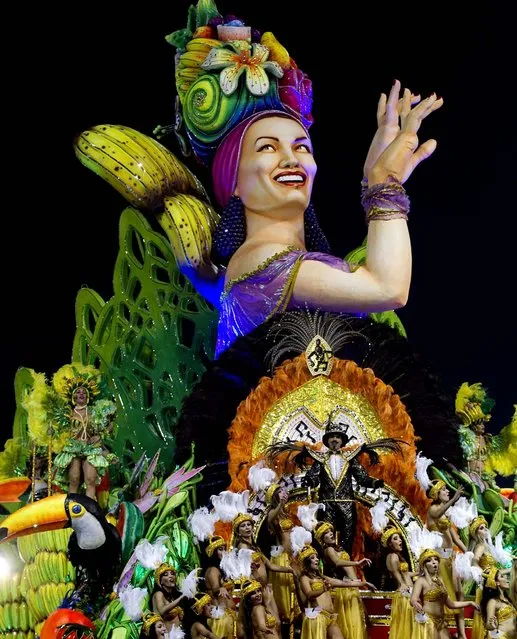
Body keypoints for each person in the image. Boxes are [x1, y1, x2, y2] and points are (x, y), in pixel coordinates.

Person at [278, 416, 403, 552]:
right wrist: (310, 480)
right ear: (327, 441)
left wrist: (374, 483)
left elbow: (362, 478)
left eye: (338, 437)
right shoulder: (320, 459)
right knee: (325, 537)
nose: (335, 439)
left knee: (347, 537)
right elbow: (314, 478)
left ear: (342, 441)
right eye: (332, 437)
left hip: (346, 504)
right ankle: (328, 568)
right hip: (326, 504)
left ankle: (345, 566)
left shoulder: (350, 459)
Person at [51, 363, 117, 499]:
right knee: (74, 478)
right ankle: (72, 508)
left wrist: (100, 436)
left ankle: (90, 510)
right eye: (78, 392)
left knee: (90, 479)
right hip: (73, 448)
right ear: (73, 396)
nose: (81, 394)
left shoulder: (95, 411)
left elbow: (111, 424)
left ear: (88, 396)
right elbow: (57, 429)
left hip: (90, 448)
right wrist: (51, 431)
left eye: (83, 392)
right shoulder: (67, 414)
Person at [315, 521, 375, 639]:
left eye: (331, 531)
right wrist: (357, 562)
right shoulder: (328, 550)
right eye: (326, 533)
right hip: (343, 591)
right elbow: (338, 562)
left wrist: (357, 583)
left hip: (352, 586)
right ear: (322, 539)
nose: (331, 534)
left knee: (356, 622)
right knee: (349, 623)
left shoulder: (336, 548)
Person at [426, 479, 469, 639]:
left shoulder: (445, 513)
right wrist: (454, 499)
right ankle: (442, 632)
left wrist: (469, 554)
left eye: (447, 490)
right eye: (444, 490)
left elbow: (455, 538)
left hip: (450, 558)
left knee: (459, 593)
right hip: (440, 559)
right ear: (436, 494)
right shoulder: (433, 510)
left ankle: (462, 634)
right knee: (445, 595)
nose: (447, 491)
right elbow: (437, 514)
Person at [410, 548, 479, 639]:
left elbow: (451, 604)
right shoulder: (421, 581)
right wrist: (415, 602)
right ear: (424, 565)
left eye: (436, 559)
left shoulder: (440, 582)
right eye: (429, 561)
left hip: (441, 623)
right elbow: (413, 599)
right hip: (428, 622)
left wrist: (470, 603)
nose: (434, 562)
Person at [265, 482, 297, 624]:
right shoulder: (273, 512)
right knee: (285, 588)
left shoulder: (285, 513)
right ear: (274, 496)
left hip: (292, 555)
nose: (282, 493)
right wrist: (279, 505)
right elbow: (270, 518)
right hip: (281, 556)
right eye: (279, 492)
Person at [381, 527, 417, 638]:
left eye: (400, 538)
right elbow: (395, 572)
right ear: (390, 544)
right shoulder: (393, 556)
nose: (400, 540)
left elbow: (404, 573)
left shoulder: (395, 556)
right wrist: (402, 584)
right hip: (405, 594)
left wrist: (418, 574)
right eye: (396, 539)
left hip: (407, 592)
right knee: (407, 625)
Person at [203, 536, 236, 639]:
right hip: (220, 619)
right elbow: (215, 589)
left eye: (224, 549)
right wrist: (220, 589)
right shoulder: (212, 570)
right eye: (220, 549)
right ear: (213, 552)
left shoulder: (220, 570)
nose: (224, 552)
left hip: (228, 615)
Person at [480, 566, 516, 639]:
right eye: (502, 576)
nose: (506, 578)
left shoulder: (508, 599)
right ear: (497, 582)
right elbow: (487, 624)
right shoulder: (493, 601)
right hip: (501, 637)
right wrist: (493, 625)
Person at [151, 563, 186, 633]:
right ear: (160, 581)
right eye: (166, 575)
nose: (171, 576)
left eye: (172, 573)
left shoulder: (173, 596)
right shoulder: (158, 594)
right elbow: (161, 610)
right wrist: (180, 598)